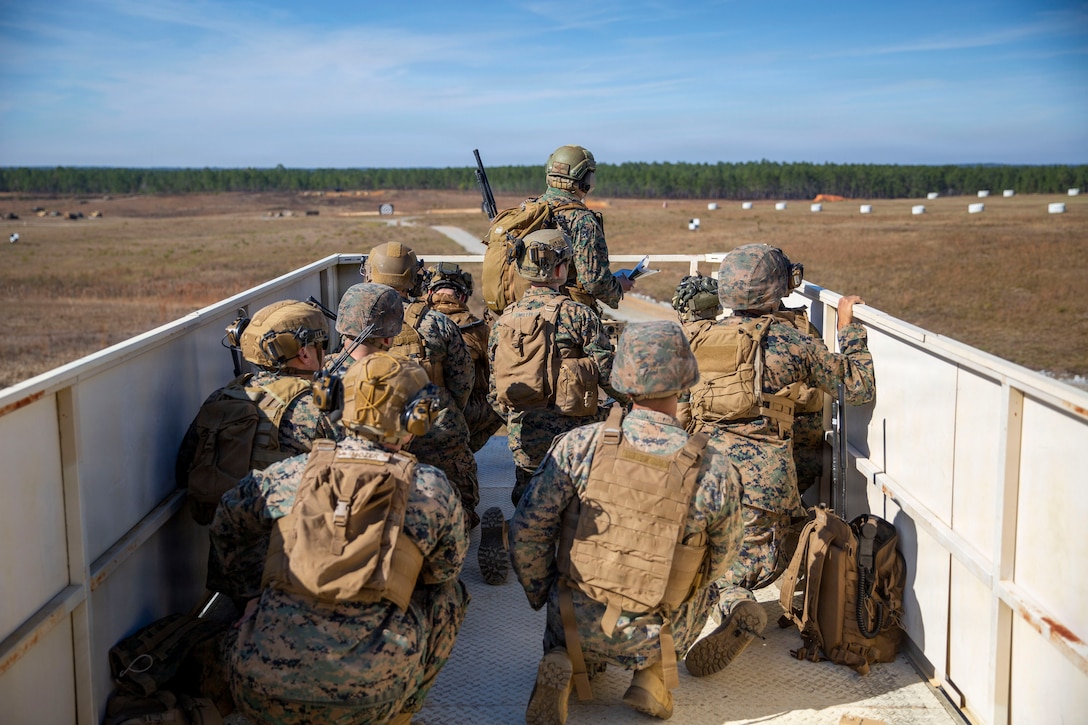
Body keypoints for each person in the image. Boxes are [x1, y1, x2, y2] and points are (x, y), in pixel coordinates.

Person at [210, 352, 470, 725]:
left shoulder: (288, 474)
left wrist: (250, 595)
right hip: (371, 699)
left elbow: (225, 522)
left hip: (259, 690)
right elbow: (445, 569)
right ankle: (403, 711)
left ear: (332, 402)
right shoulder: (431, 488)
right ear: (417, 417)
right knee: (450, 595)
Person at [509, 321, 745, 723]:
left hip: (574, 614)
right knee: (706, 586)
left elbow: (527, 531)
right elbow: (721, 560)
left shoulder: (579, 445)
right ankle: (651, 674)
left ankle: (563, 660)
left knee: (567, 605)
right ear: (684, 381)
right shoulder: (715, 468)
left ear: (622, 381)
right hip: (658, 625)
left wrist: (543, 593)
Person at [682, 243, 876, 675]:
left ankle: (728, 590)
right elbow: (857, 385)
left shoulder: (699, 334)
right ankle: (737, 604)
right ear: (777, 289)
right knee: (751, 567)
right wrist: (848, 328)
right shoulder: (786, 340)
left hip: (701, 468)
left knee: (713, 548)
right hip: (763, 477)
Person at [483, 228, 627, 584]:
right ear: (561, 269)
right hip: (574, 439)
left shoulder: (503, 320)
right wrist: (630, 407)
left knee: (529, 496)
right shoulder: (580, 316)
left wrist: (516, 423)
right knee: (579, 500)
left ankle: (509, 534)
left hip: (525, 436)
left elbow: (493, 389)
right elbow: (610, 375)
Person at [176, 299, 340, 527]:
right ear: (304, 353)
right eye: (320, 344)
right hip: (288, 554)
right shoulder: (316, 408)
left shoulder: (221, 398)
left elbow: (184, 469)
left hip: (227, 555)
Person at [672, 272, 828, 491]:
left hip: (719, 468)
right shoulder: (799, 333)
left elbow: (682, 416)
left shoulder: (697, 342)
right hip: (785, 468)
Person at [363, 242, 481, 530]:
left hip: (376, 432)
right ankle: (455, 527)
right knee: (461, 501)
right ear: (414, 278)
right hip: (434, 427)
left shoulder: (357, 322)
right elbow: (463, 382)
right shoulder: (437, 322)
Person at [540, 144, 633, 314]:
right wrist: (618, 286)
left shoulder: (529, 210)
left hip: (522, 314)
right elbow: (593, 280)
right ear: (582, 180)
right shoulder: (582, 220)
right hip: (566, 315)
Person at [422, 262, 503, 452]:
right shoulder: (480, 330)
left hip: (416, 413)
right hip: (463, 416)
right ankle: (465, 448)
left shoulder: (411, 322)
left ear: (430, 293)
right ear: (463, 296)